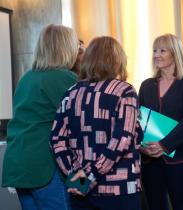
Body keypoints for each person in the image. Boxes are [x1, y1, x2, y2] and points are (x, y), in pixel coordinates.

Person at [49, 36, 143, 210]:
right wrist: (90, 175)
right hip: (119, 190)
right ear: (117, 60)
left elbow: (56, 139)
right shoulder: (125, 91)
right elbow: (122, 140)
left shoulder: (71, 93)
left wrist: (78, 176)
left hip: (81, 189)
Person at [2, 24, 78, 210]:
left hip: (19, 165)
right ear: (66, 48)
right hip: (45, 167)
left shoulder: (27, 78)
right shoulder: (65, 78)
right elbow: (81, 124)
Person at [139, 33, 183, 210]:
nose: (156, 54)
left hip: (180, 159)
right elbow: (138, 119)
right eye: (154, 50)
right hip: (150, 160)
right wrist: (143, 147)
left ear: (175, 53)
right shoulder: (146, 85)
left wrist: (164, 145)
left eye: (162, 50)